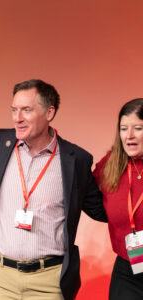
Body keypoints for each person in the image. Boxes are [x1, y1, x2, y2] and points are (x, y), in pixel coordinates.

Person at [0, 79, 107, 300]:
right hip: (1, 278)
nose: (17, 118)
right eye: (14, 110)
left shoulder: (75, 159)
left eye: (26, 110)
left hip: (48, 282)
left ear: (49, 112)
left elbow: (102, 210)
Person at [93, 98, 143, 300]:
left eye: (138, 128)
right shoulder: (112, 163)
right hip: (128, 268)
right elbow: (82, 191)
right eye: (124, 128)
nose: (129, 136)